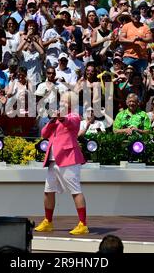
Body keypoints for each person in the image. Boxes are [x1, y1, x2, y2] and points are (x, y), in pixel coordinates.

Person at [34, 91, 89, 235]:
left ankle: (83, 224)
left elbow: (70, 124)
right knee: (48, 191)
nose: (62, 103)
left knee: (75, 191)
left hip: (69, 158)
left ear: (71, 104)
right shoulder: (57, 118)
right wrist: (52, 120)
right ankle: (48, 221)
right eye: (62, 101)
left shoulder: (74, 116)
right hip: (53, 160)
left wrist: (61, 118)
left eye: (65, 101)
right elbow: (44, 134)